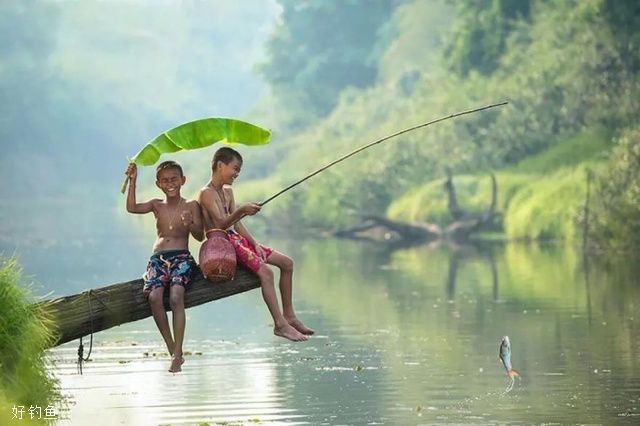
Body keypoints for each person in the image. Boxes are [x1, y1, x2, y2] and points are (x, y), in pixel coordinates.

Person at [198, 147, 314, 342]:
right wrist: (242, 209)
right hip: (223, 243)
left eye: (239, 171)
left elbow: (236, 224)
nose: (237, 174)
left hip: (237, 239)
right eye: (235, 168)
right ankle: (280, 324)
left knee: (287, 263)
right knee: (266, 273)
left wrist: (255, 244)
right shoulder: (206, 193)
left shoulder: (228, 191)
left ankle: (290, 316)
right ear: (220, 165)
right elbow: (220, 224)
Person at [125, 160, 203, 373]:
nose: (170, 183)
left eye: (174, 179)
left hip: (182, 258)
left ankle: (178, 351)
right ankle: (173, 351)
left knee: (177, 296)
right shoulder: (156, 204)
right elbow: (131, 208)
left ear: (183, 180)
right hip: (158, 259)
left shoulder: (191, 205)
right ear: (159, 183)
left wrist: (190, 223)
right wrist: (133, 180)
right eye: (165, 180)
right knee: (154, 297)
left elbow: (199, 235)